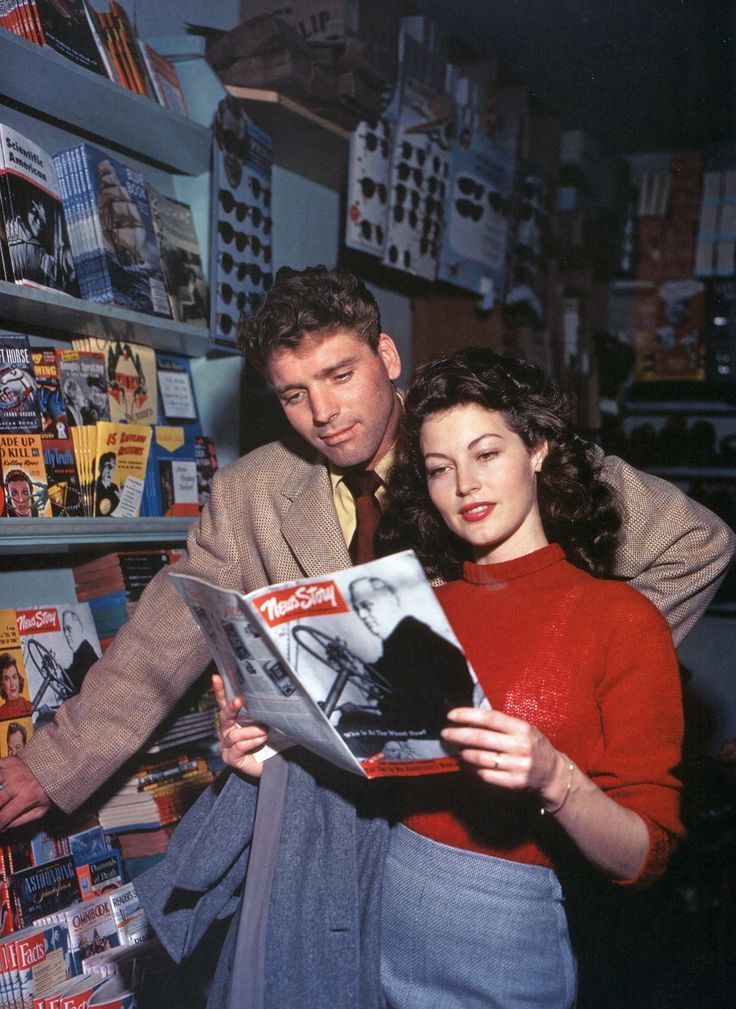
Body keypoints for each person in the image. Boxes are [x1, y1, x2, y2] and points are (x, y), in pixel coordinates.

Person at [0, 268, 730, 892]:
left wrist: (567, 681)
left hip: (495, 838)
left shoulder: (476, 442)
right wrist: (50, 766)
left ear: (386, 354)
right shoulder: (253, 492)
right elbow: (166, 633)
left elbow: (697, 544)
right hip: (330, 836)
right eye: (291, 394)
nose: (322, 413)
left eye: (340, 375)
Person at [335, 574, 474, 754]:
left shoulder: (416, 639)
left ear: (391, 600)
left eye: (366, 605)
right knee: (350, 721)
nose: (362, 615)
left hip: (442, 731)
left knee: (349, 728)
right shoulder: (401, 640)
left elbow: (419, 702)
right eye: (357, 608)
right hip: (433, 724)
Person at [60, 609, 100, 696]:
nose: (66, 634)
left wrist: (61, 673)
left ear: (78, 627)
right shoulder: (79, 653)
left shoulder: (87, 653)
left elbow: (79, 685)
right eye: (64, 630)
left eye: (69, 628)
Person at [0, 654, 32, 719]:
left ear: (19, 679)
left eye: (14, 677)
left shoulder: (29, 706)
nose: (12, 684)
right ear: (2, 684)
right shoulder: (1, 713)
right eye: (7, 679)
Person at [94, 452, 120, 516]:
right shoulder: (93, 487)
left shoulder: (115, 488)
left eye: (113, 467)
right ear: (100, 468)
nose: (110, 470)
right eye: (108, 466)